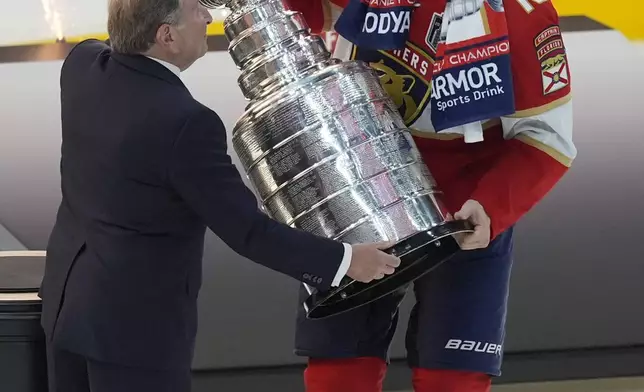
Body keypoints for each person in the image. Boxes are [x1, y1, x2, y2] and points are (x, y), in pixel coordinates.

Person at [37, 0, 402, 391]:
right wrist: (346, 261)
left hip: (65, 312)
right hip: (133, 335)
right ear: (167, 36)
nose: (208, 18)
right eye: (196, 10)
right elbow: (248, 231)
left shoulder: (80, 65)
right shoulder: (184, 123)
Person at [286, 0, 577, 391]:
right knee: (338, 371)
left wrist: (492, 206)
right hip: (356, 193)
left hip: (463, 214)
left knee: (452, 379)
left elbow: (546, 137)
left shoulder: (521, 12)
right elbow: (284, 15)